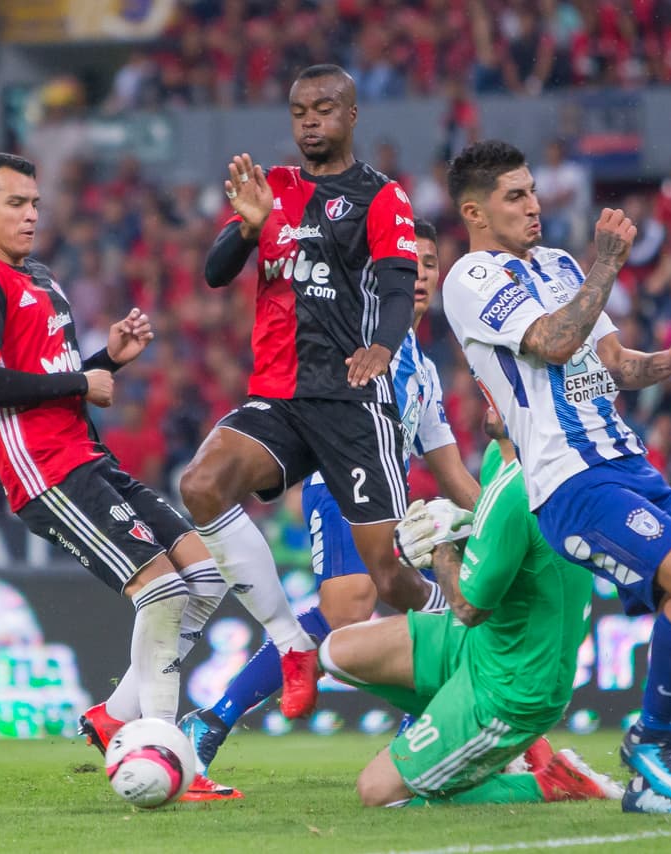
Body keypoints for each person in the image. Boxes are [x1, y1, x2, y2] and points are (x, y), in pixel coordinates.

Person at [439, 140, 671, 811]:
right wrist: (607, 265)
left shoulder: (562, 266)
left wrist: (663, 363)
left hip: (624, 461)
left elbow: (604, 369)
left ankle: (653, 781)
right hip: (568, 479)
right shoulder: (472, 279)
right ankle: (651, 743)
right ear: (476, 211)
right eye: (516, 196)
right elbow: (551, 342)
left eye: (534, 191)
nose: (535, 206)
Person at [0, 153, 229, 799]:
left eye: (36, 203)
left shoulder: (39, 277)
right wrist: (83, 378)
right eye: (15, 203)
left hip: (88, 456)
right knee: (160, 592)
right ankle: (167, 759)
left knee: (204, 579)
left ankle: (113, 718)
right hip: (45, 473)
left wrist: (108, 359)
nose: (31, 215)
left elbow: (55, 375)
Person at [180, 64, 448, 721]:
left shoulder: (382, 198)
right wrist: (245, 230)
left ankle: (468, 629)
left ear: (352, 116)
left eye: (325, 109)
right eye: (300, 110)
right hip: (280, 398)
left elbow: (393, 284)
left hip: (353, 402)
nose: (310, 120)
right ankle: (288, 640)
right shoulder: (271, 190)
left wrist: (383, 345)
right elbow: (215, 274)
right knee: (201, 484)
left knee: (387, 581)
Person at [179, 218, 479, 774]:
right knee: (351, 610)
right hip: (342, 486)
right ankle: (214, 718)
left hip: (393, 505)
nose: (419, 275)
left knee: (410, 609)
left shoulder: (426, 373)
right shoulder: (358, 342)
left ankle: (425, 724)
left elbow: (454, 474)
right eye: (407, 264)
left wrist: (504, 515)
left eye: (430, 265)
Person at [318, 412, 628, 809]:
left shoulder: (526, 482)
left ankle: (556, 783)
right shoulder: (502, 460)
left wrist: (440, 546)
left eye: (500, 381)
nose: (488, 397)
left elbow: (468, 606)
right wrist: (462, 525)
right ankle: (497, 751)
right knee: (336, 652)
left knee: (378, 794)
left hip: (513, 684)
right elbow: (500, 546)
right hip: (481, 644)